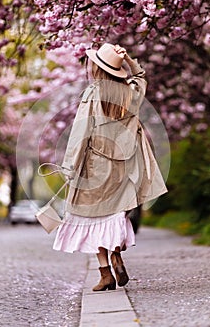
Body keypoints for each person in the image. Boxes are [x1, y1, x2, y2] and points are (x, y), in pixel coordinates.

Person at [53, 43, 168, 291]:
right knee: (115, 215)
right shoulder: (130, 92)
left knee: (91, 219)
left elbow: (80, 131)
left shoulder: (93, 93)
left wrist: (70, 166)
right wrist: (127, 59)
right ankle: (116, 252)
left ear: (97, 68)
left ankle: (105, 272)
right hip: (124, 167)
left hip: (96, 167)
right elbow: (140, 76)